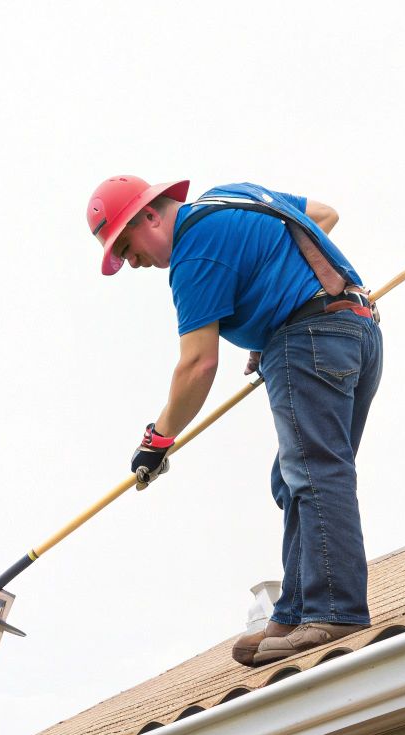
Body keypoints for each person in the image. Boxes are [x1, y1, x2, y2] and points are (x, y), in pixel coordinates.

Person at [86, 175, 382, 667]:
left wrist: (158, 440)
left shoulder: (193, 256)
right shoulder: (236, 195)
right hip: (356, 331)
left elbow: (197, 365)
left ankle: (336, 610)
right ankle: (296, 610)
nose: (131, 262)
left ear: (151, 215)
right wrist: (273, 319)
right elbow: (322, 216)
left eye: (126, 245)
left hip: (310, 338)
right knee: (296, 477)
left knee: (314, 472)